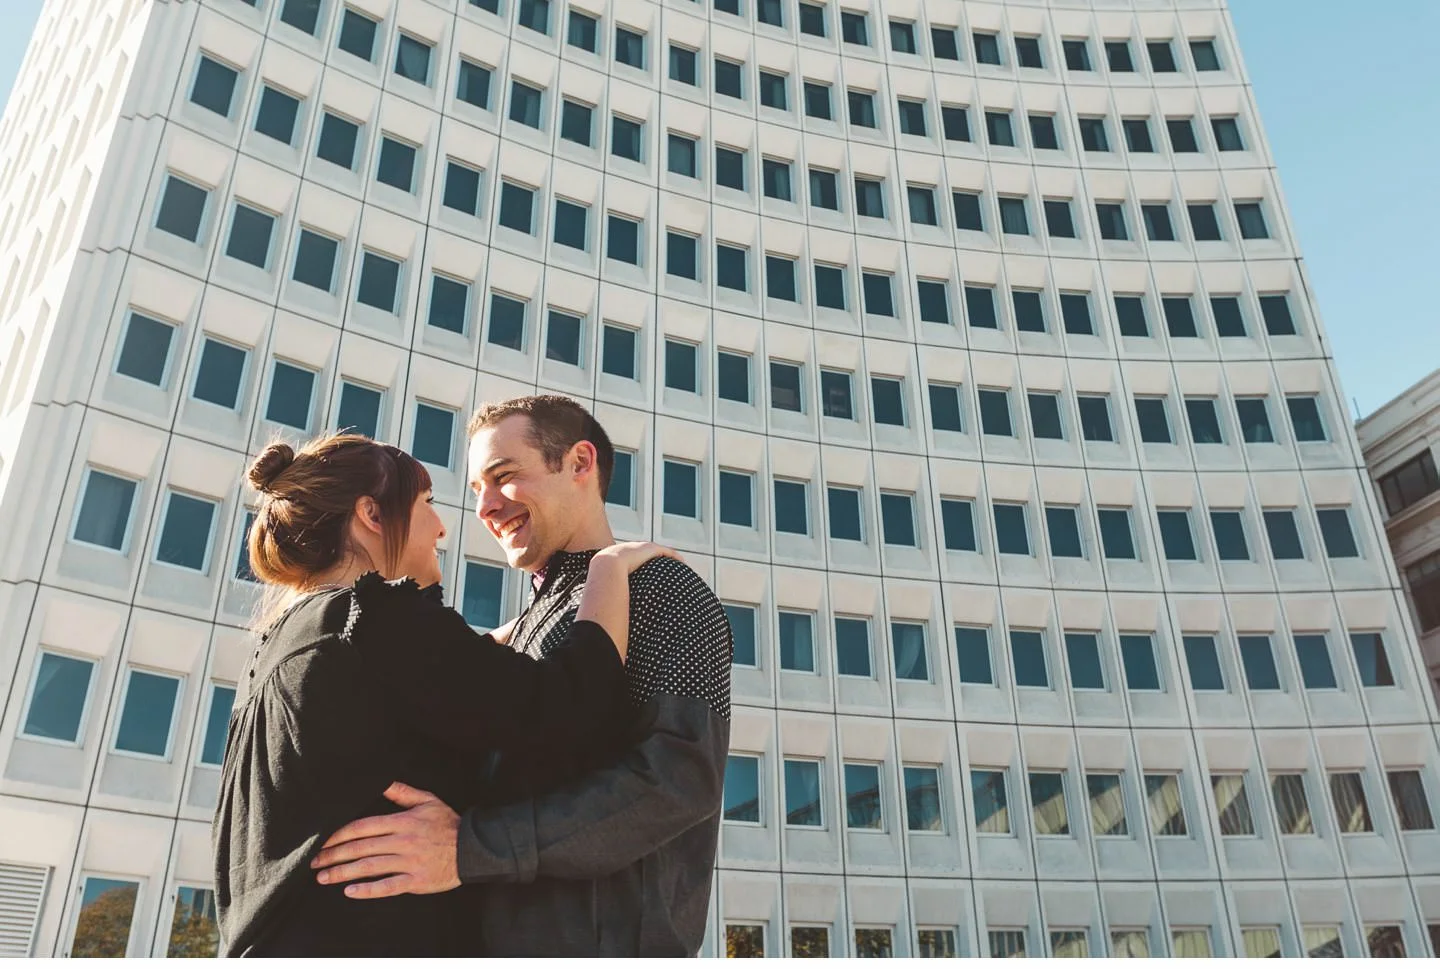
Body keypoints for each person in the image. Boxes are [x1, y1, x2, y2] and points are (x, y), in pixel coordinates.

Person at [212, 433, 673, 956]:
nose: (441, 526)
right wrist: (606, 569)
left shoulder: (285, 647)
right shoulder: (377, 617)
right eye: (426, 504)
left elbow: (442, 675)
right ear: (371, 514)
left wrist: (513, 633)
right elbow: (570, 701)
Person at [311, 395, 734, 956]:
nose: (485, 507)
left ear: (580, 464)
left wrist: (469, 847)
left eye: (503, 477)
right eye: (474, 491)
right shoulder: (516, 635)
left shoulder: (660, 590)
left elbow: (678, 783)